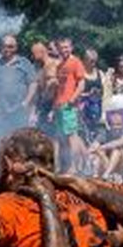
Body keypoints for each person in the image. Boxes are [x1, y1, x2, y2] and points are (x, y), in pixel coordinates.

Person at [53, 37, 87, 173]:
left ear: (71, 48)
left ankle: (74, 166)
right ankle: (62, 166)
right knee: (61, 137)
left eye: (66, 47)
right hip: (59, 105)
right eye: (61, 48)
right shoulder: (60, 65)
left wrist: (73, 98)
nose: (64, 50)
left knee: (72, 136)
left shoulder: (75, 62)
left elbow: (82, 83)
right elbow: (60, 87)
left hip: (69, 105)